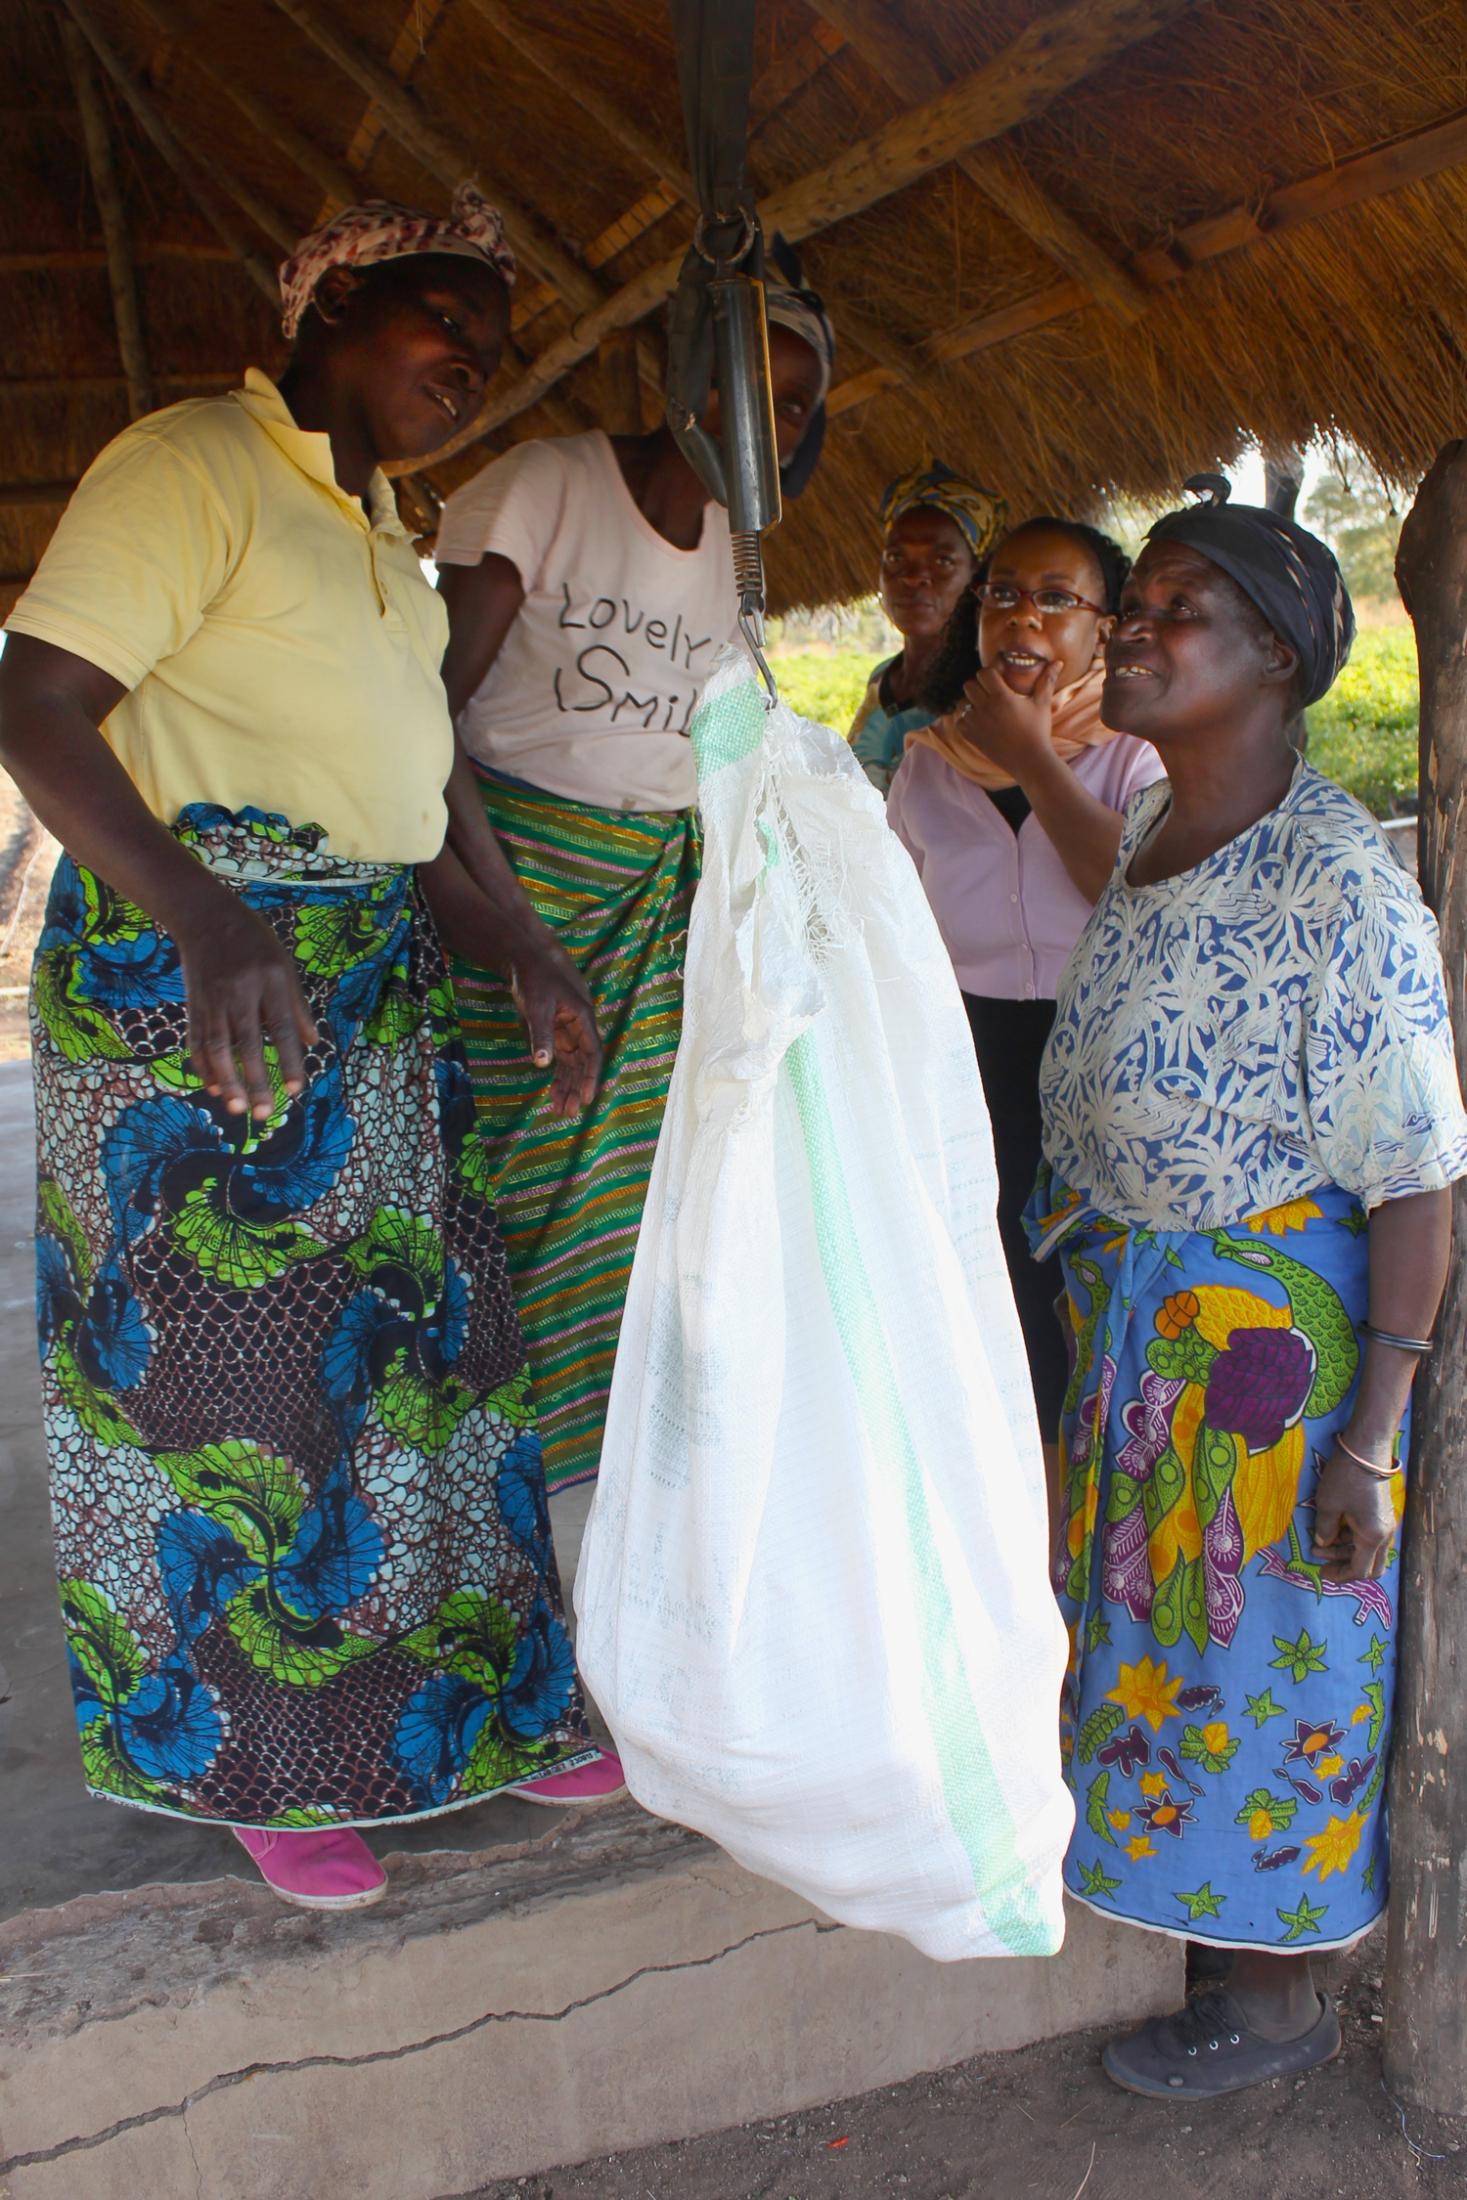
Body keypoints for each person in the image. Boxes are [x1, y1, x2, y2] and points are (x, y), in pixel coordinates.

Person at [0, 187, 614, 1914]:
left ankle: (481, 1709)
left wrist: (517, 943)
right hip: (203, 981)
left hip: (375, 979)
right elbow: (34, 701)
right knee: (235, 1406)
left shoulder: (383, 534)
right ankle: (257, 1765)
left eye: (492, 341)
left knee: (425, 1361)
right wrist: (203, 916)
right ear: (331, 303)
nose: (474, 358)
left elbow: (413, 802)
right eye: (442, 315)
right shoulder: (190, 462)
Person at [1028, 479, 1467, 2097]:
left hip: (1269, 1358)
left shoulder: (1334, 881)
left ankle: (1273, 1998)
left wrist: (1369, 1434)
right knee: (1166, 1634)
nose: (1129, 634)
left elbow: (1416, 1168)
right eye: (1130, 605)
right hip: (1151, 1320)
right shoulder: (1160, 823)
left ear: (1275, 657)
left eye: (1172, 614)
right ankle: (1203, 1933)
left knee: (1267, 1637)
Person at [432, 256, 834, 1526]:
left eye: (794, 399)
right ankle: (513, 1513)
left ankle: (612, 1532)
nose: (758, 420)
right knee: (526, 1184)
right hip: (514, 882)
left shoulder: (741, 547)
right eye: (740, 382)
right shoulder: (549, 488)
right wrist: (510, 930)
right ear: (681, 375)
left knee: (648, 1205)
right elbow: (414, 725)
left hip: (653, 907)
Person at [887, 518, 1164, 1450]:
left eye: (1056, 599)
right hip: (966, 1059)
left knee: (1095, 1288)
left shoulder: (1135, 756)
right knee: (993, 1285)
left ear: (1104, 628)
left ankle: (1102, 1505)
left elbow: (1122, 887)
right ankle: (1026, 1517)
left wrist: (1033, 751)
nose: (1022, 617)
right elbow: (894, 929)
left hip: (1102, 1054)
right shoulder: (927, 762)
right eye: (1002, 592)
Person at [848, 459, 1006, 794]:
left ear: (976, 576)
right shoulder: (881, 680)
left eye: (942, 561)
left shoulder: (983, 692)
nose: (913, 576)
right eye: (896, 558)